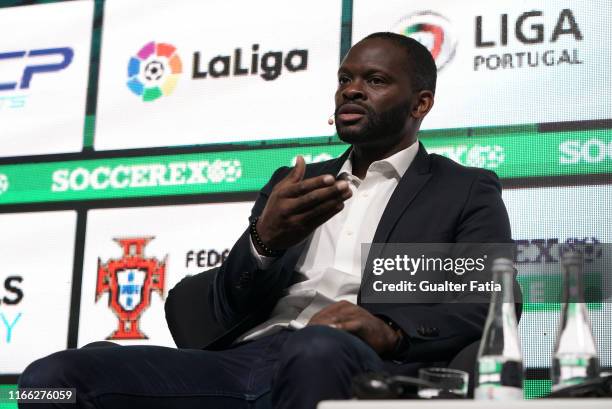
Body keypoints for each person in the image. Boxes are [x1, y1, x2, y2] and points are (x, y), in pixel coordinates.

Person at [18, 32, 512, 409]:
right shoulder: (292, 183)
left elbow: (491, 300)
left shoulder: (460, 188)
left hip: (360, 362)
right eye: (345, 80)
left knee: (318, 348)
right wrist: (263, 241)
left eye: (375, 81)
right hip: (240, 363)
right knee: (51, 380)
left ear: (420, 103)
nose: (352, 92)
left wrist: (388, 328)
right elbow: (225, 304)